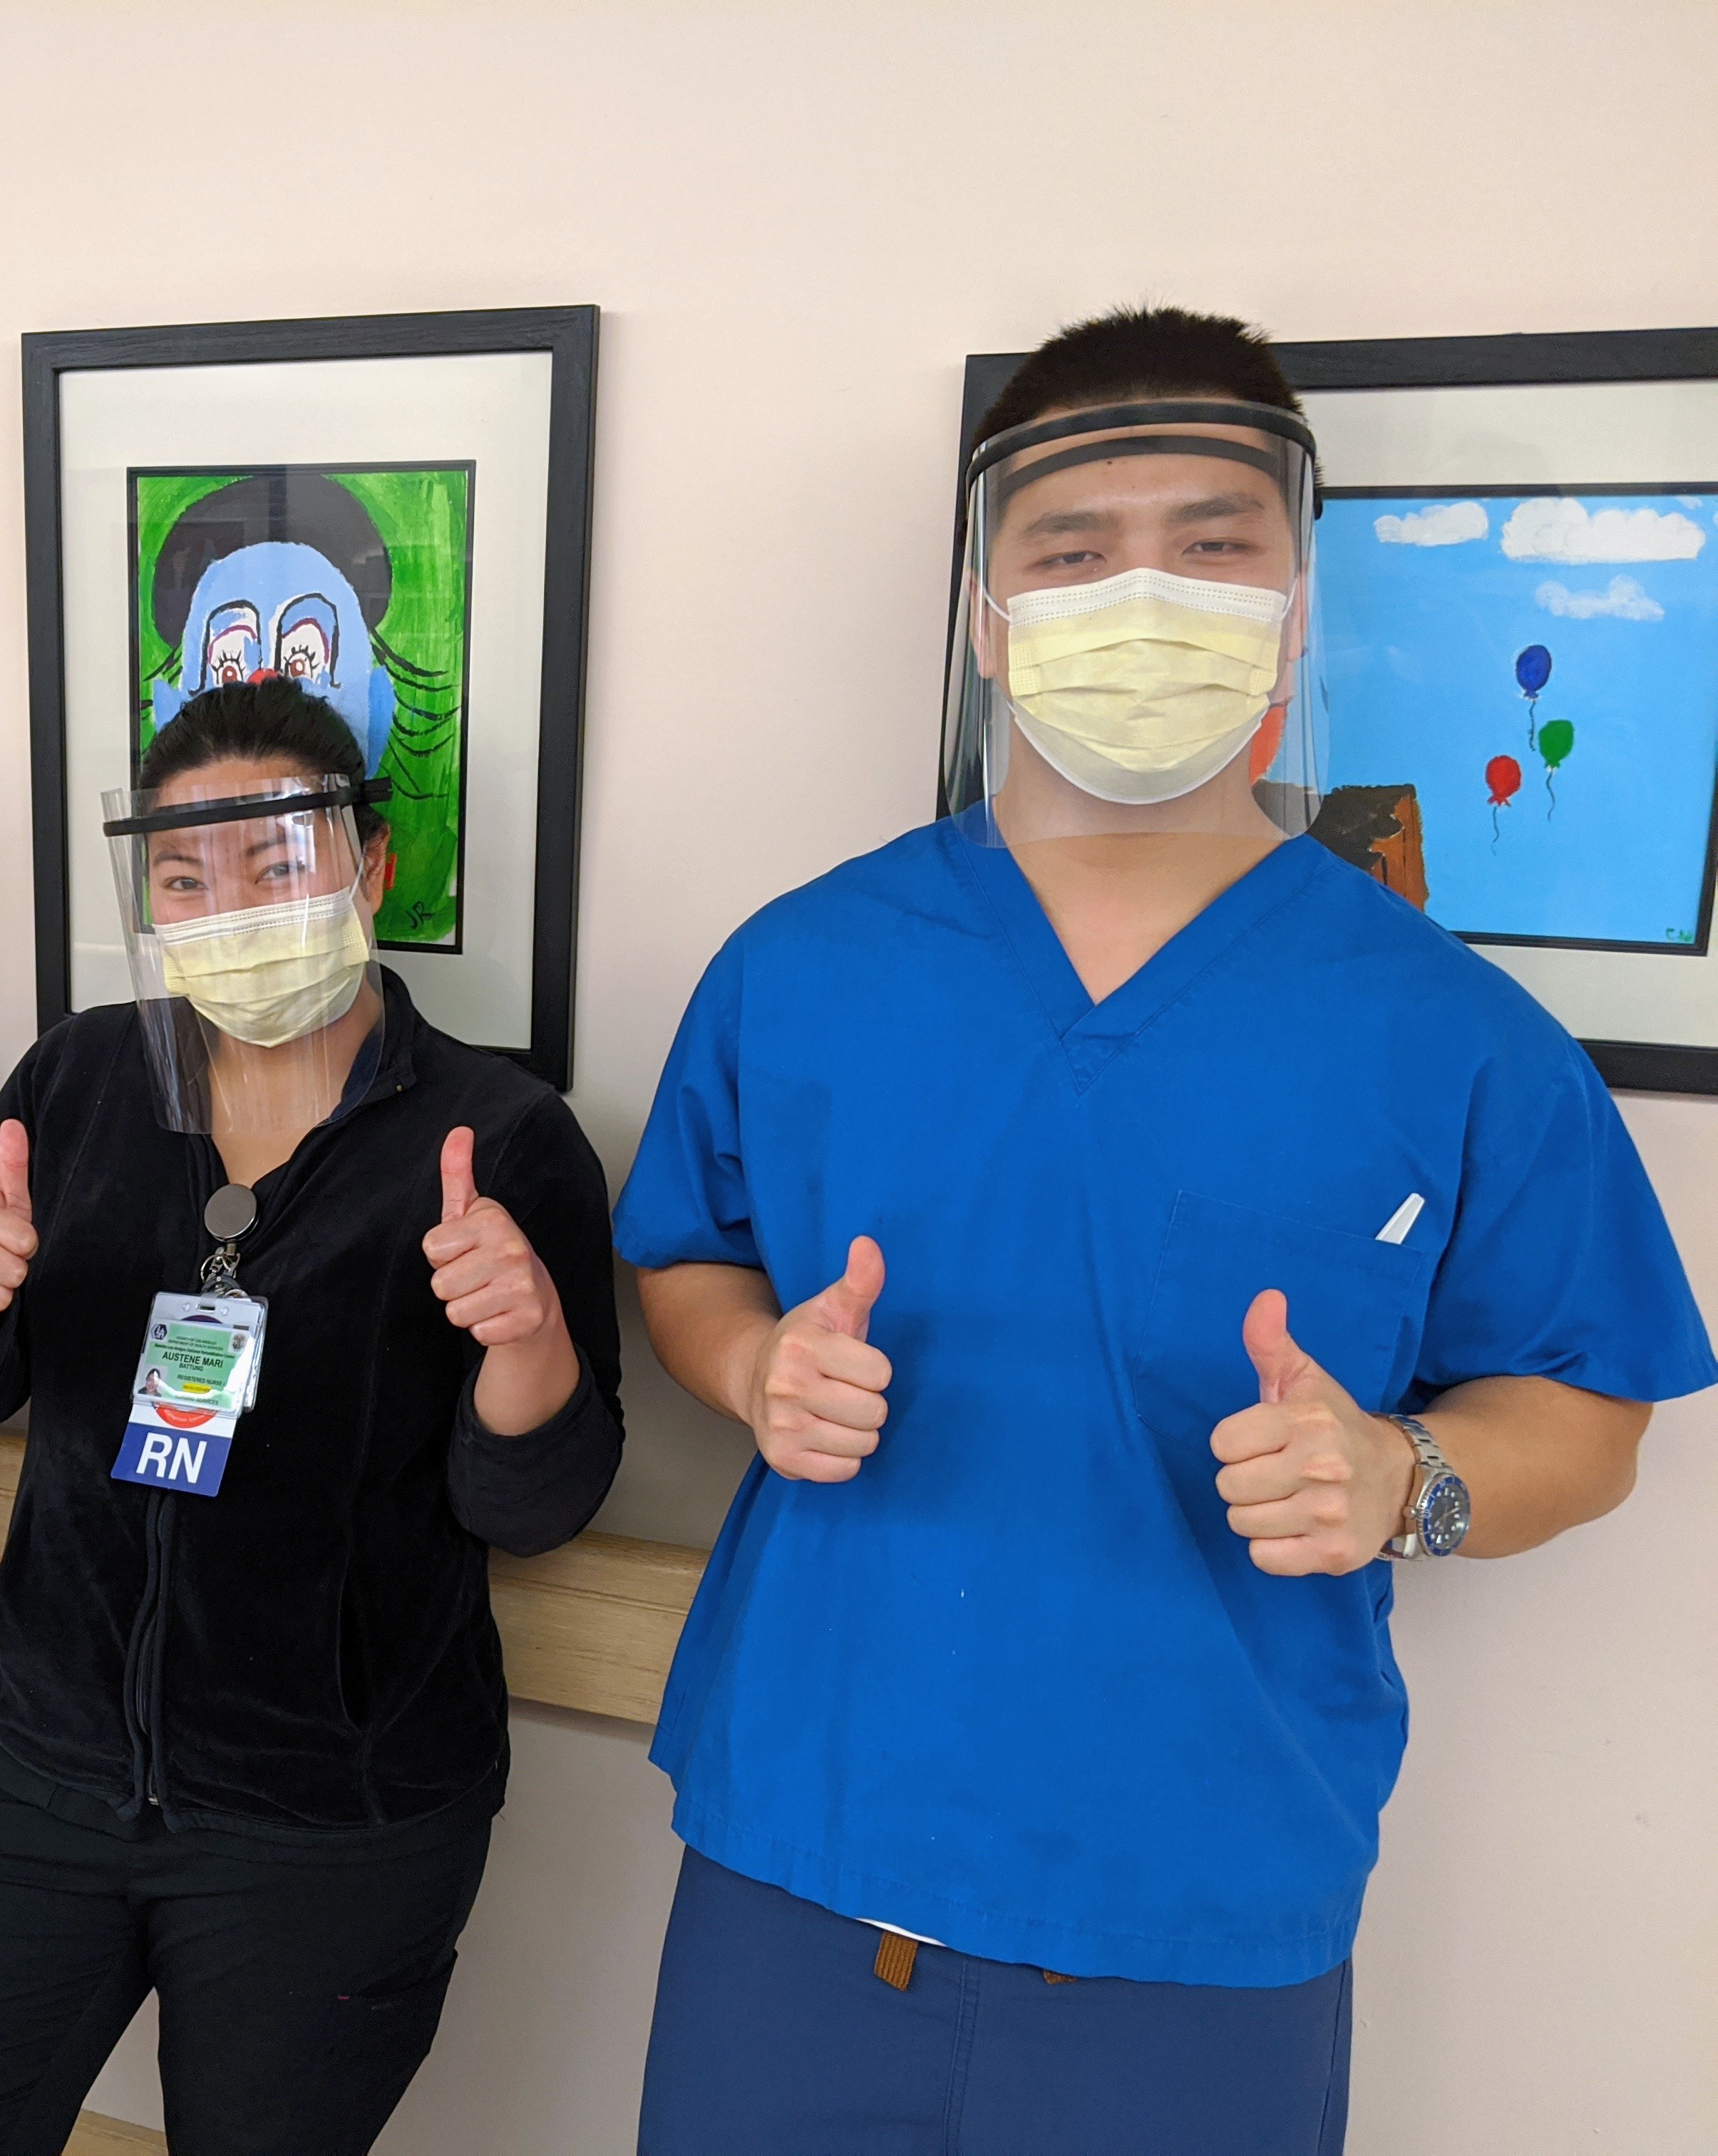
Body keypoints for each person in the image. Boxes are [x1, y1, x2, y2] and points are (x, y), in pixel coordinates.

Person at [615, 307, 1714, 2153]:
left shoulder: (1446, 1030)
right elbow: (686, 1252)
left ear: (1296, 596)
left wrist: (1403, 1477)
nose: (1145, 595)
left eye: (1212, 544)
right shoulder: (798, 968)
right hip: (798, 1881)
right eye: (1071, 549)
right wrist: (747, 1364)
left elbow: (1590, 1418)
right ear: (986, 613)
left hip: (1197, 1940)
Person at [0, 677, 625, 2156]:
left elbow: (533, 1507)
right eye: (185, 877)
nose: (231, 906)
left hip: (335, 1814)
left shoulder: (499, 1137)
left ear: (370, 868)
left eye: (278, 862)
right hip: (40, 1765)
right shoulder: (80, 1080)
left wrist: (529, 1341)